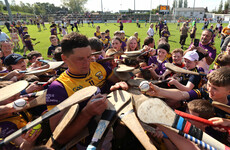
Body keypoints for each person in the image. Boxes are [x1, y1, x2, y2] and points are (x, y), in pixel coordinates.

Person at [45, 32, 128, 148]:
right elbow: (58, 138)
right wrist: (87, 113)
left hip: (110, 132)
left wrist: (119, 85)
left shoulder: (99, 67)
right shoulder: (58, 88)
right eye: (80, 59)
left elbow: (117, 82)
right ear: (64, 58)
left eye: (89, 56)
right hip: (85, 143)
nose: (87, 62)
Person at [144, 67, 230, 119]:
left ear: (228, 91)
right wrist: (159, 91)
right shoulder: (205, 91)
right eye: (209, 85)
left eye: (215, 88)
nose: (210, 89)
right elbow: (182, 94)